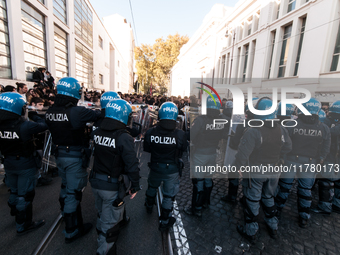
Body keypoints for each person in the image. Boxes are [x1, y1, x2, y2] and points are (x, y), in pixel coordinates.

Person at [45, 77, 100, 243]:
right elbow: (98, 115)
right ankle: (72, 229)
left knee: (65, 186)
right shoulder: (77, 112)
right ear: (75, 93)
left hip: (59, 154)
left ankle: (64, 214)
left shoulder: (50, 111)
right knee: (73, 193)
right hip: (74, 156)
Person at [235, 98, 292, 242]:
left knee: (253, 200)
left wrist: (238, 168)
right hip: (274, 170)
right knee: (268, 197)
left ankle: (251, 232)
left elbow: (242, 155)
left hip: (256, 171)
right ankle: (273, 226)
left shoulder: (254, 130)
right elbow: (288, 147)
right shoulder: (281, 129)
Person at [90, 98, 140, 255]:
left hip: (96, 182)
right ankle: (103, 250)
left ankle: (100, 236)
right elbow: (132, 164)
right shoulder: (123, 137)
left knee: (101, 213)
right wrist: (135, 185)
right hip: (111, 186)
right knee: (110, 226)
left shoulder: (96, 132)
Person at [275, 98, 331, 228]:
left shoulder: (291, 124)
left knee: (284, 187)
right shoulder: (324, 128)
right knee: (306, 191)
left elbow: (283, 143)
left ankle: (277, 211)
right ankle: (304, 217)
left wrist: (282, 157)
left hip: (291, 160)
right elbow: (326, 146)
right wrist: (321, 158)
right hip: (311, 162)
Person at [0, 92, 48, 235]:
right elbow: (44, 125)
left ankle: (14, 211)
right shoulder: (25, 126)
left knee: (14, 190)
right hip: (24, 164)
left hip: (8, 162)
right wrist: (34, 115)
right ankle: (23, 224)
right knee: (25, 195)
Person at [144, 102, 187, 231]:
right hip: (172, 169)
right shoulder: (180, 134)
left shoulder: (151, 132)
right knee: (168, 196)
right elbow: (183, 149)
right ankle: (164, 221)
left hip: (155, 167)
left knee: (152, 186)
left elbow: (147, 148)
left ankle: (148, 205)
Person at [184, 95, 229, 217]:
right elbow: (224, 135)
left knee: (199, 181)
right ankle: (206, 202)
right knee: (208, 179)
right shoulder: (221, 120)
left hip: (200, 154)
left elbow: (190, 136)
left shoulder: (200, 120)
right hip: (213, 153)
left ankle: (196, 208)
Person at [312, 100, 340, 215]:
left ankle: (325, 206)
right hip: (335, 157)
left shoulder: (330, 125)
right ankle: (337, 204)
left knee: (326, 182)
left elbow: (326, 134)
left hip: (331, 156)